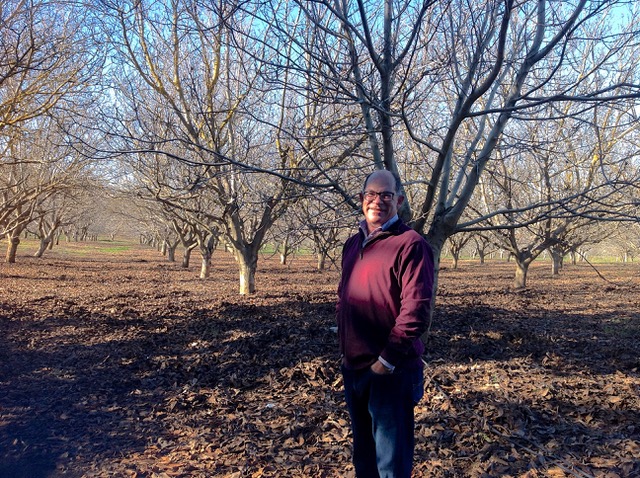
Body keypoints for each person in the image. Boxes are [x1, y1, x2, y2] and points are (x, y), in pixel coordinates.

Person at [336, 169, 435, 478]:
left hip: (390, 372)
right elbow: (345, 299)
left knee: (391, 466)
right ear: (361, 199)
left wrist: (386, 361)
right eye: (371, 195)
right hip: (355, 369)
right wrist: (347, 353)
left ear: (399, 200)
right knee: (364, 461)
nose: (377, 201)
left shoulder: (411, 245)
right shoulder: (353, 244)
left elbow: (416, 311)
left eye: (386, 195)